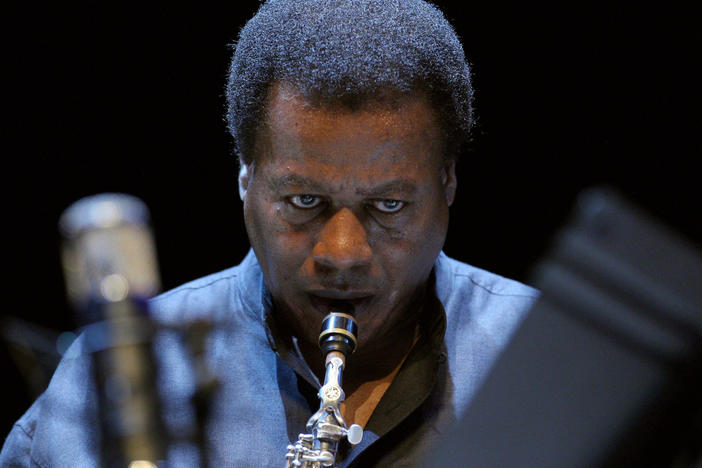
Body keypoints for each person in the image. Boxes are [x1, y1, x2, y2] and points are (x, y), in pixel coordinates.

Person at [1, 0, 538, 466]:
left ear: (448, 183)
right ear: (244, 176)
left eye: (389, 205)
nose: (342, 254)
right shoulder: (108, 380)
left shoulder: (544, 355)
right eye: (304, 202)